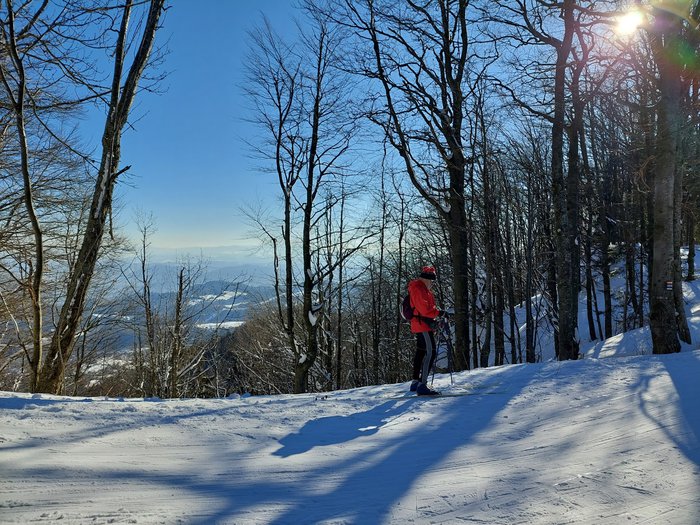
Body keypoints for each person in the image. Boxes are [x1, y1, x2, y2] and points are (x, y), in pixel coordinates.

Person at [407, 265, 443, 396]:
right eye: (431, 280)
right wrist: (439, 313)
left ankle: (415, 382)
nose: (432, 283)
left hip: (421, 324)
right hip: (422, 325)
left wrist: (436, 314)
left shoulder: (422, 288)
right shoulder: (418, 288)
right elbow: (424, 309)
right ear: (426, 279)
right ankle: (422, 385)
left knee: (421, 352)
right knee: (431, 352)